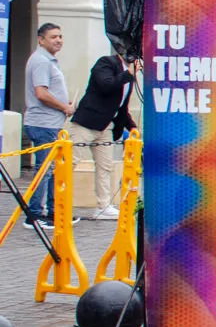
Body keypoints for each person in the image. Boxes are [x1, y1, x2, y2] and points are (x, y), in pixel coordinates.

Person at [69, 45, 139, 220]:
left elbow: (122, 107)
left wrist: (132, 127)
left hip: (106, 126)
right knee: (70, 162)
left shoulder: (128, 77)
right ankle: (53, 202)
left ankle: (103, 206)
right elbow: (106, 85)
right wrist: (128, 74)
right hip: (86, 123)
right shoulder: (106, 63)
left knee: (105, 166)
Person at [23, 23, 73, 225]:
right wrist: (64, 107)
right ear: (41, 39)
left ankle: (54, 212)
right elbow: (41, 93)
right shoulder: (41, 61)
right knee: (44, 170)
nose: (59, 40)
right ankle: (34, 214)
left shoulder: (50, 61)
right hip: (43, 123)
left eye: (60, 36)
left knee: (52, 170)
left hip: (51, 122)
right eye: (53, 37)